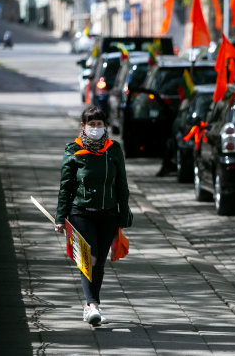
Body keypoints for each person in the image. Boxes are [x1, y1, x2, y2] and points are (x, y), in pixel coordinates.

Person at [55, 105, 131, 326]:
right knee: (90, 257)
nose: (96, 128)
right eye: (92, 124)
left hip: (108, 215)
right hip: (81, 213)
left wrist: (124, 213)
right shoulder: (73, 150)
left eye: (99, 124)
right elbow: (66, 187)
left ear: (104, 125)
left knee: (99, 264)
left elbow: (122, 185)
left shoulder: (114, 150)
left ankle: (90, 305)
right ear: (83, 126)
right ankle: (93, 306)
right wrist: (60, 217)